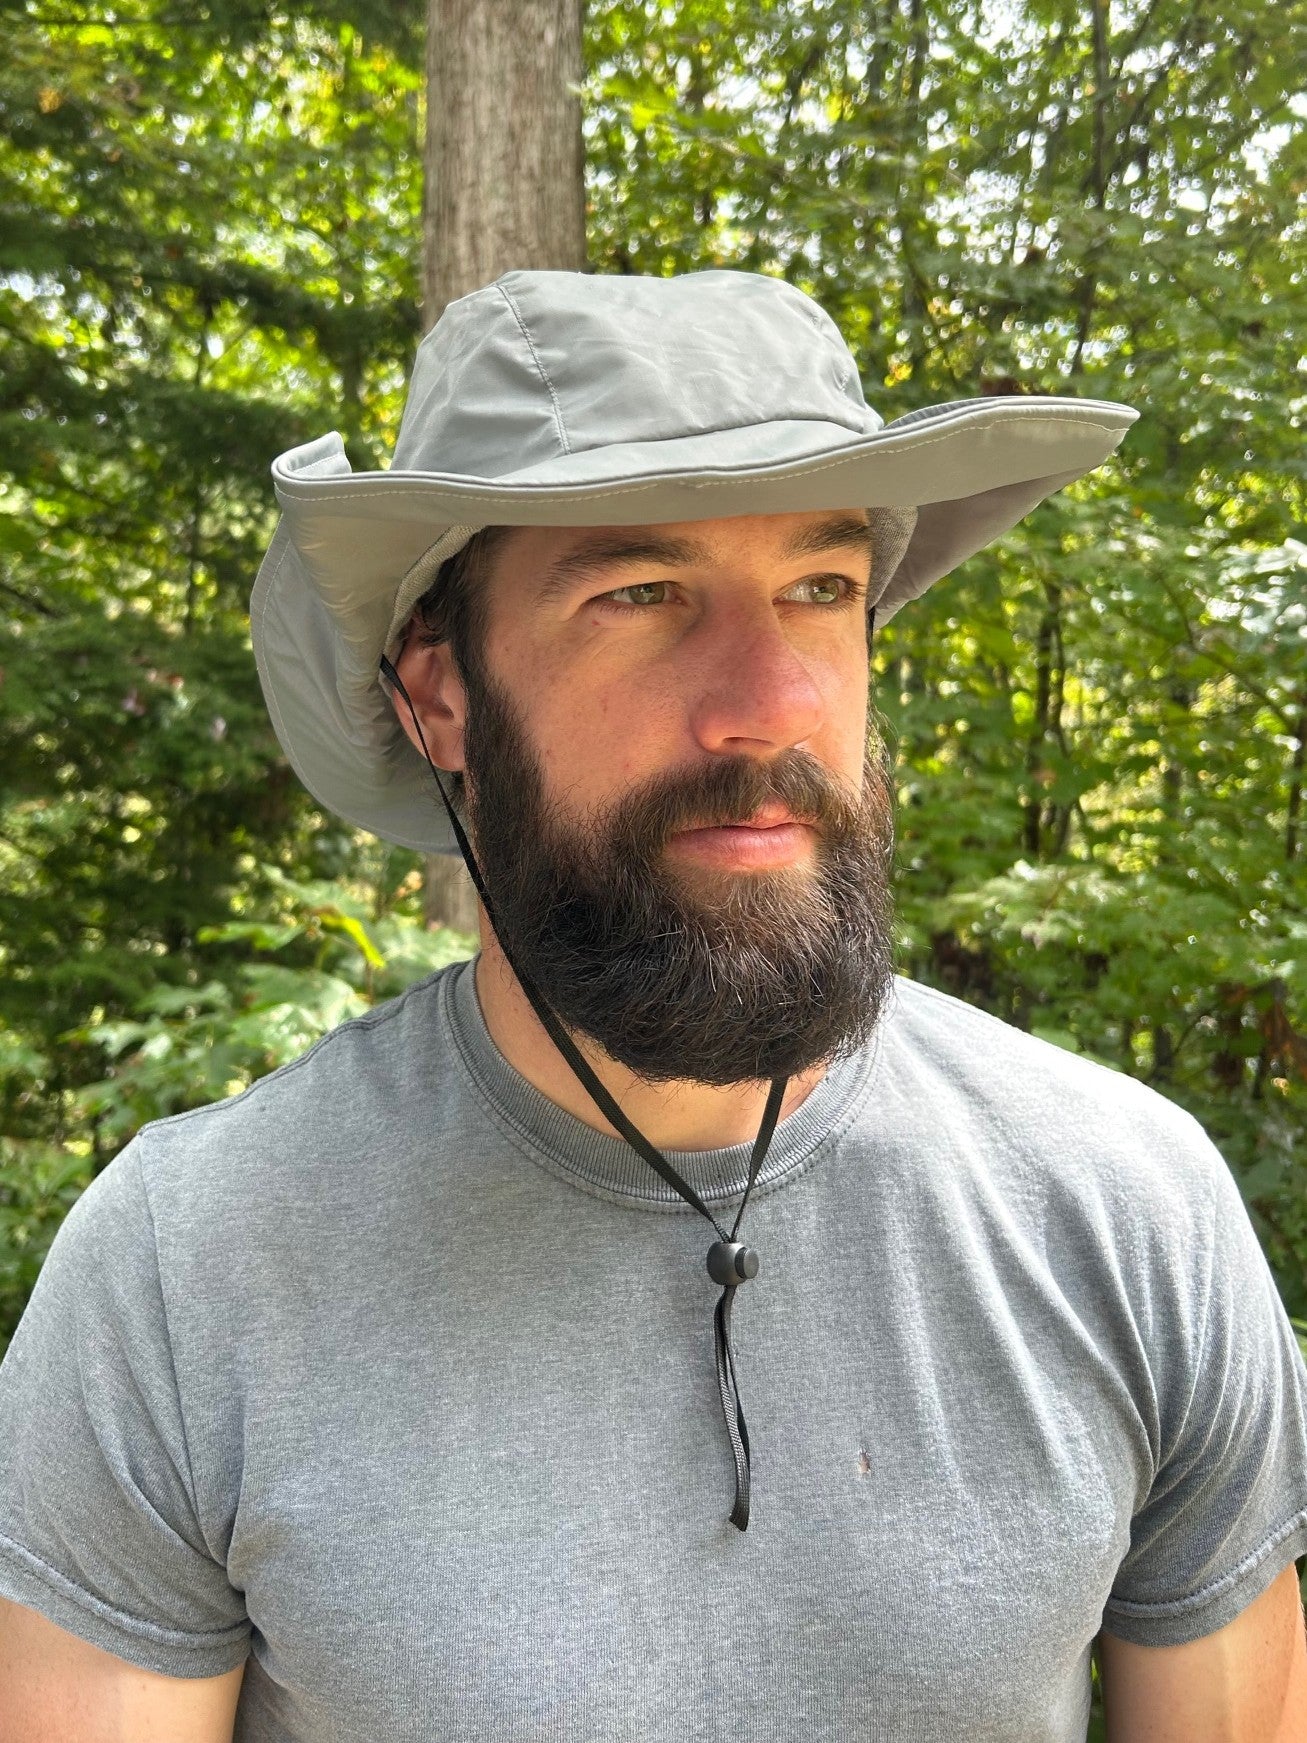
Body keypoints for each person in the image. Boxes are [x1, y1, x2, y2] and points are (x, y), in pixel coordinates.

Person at [1, 269, 1304, 1743]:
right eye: (641, 595)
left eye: (818, 588)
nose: (767, 699)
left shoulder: (1126, 1212)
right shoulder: (192, 1271)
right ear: (438, 695)